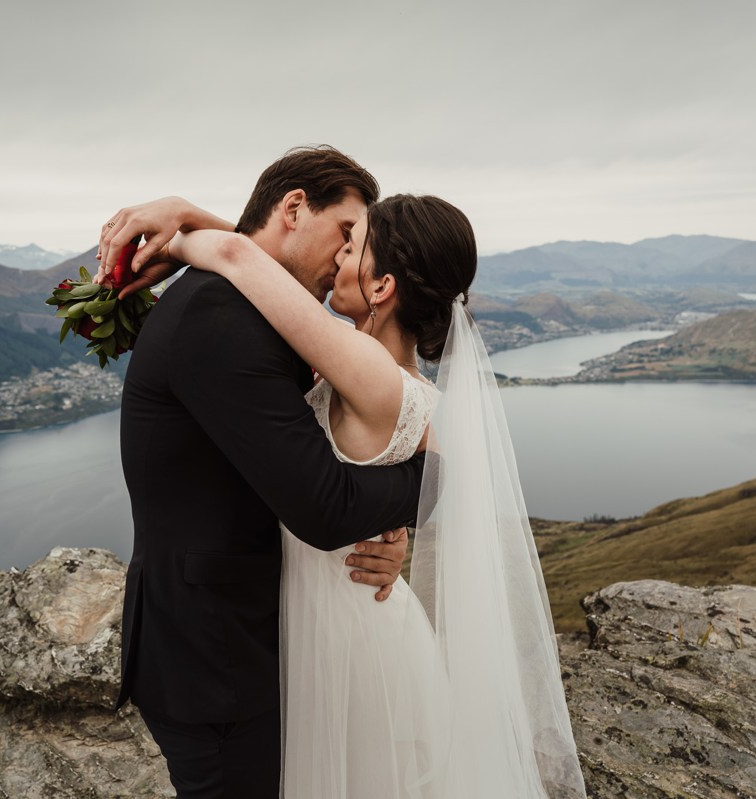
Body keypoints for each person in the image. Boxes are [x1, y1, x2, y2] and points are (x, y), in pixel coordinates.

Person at [121, 188, 587, 797]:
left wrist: (179, 225)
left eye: (352, 246)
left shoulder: (365, 369)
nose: (337, 258)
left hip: (346, 635)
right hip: (331, 613)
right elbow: (274, 267)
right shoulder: (357, 361)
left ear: (382, 286)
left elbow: (241, 256)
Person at [102, 146, 428, 799]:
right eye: (343, 234)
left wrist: (195, 220)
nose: (343, 257)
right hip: (213, 658)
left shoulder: (240, 301)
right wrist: (426, 479)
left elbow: (258, 259)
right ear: (293, 207)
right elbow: (325, 506)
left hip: (235, 640)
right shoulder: (218, 316)